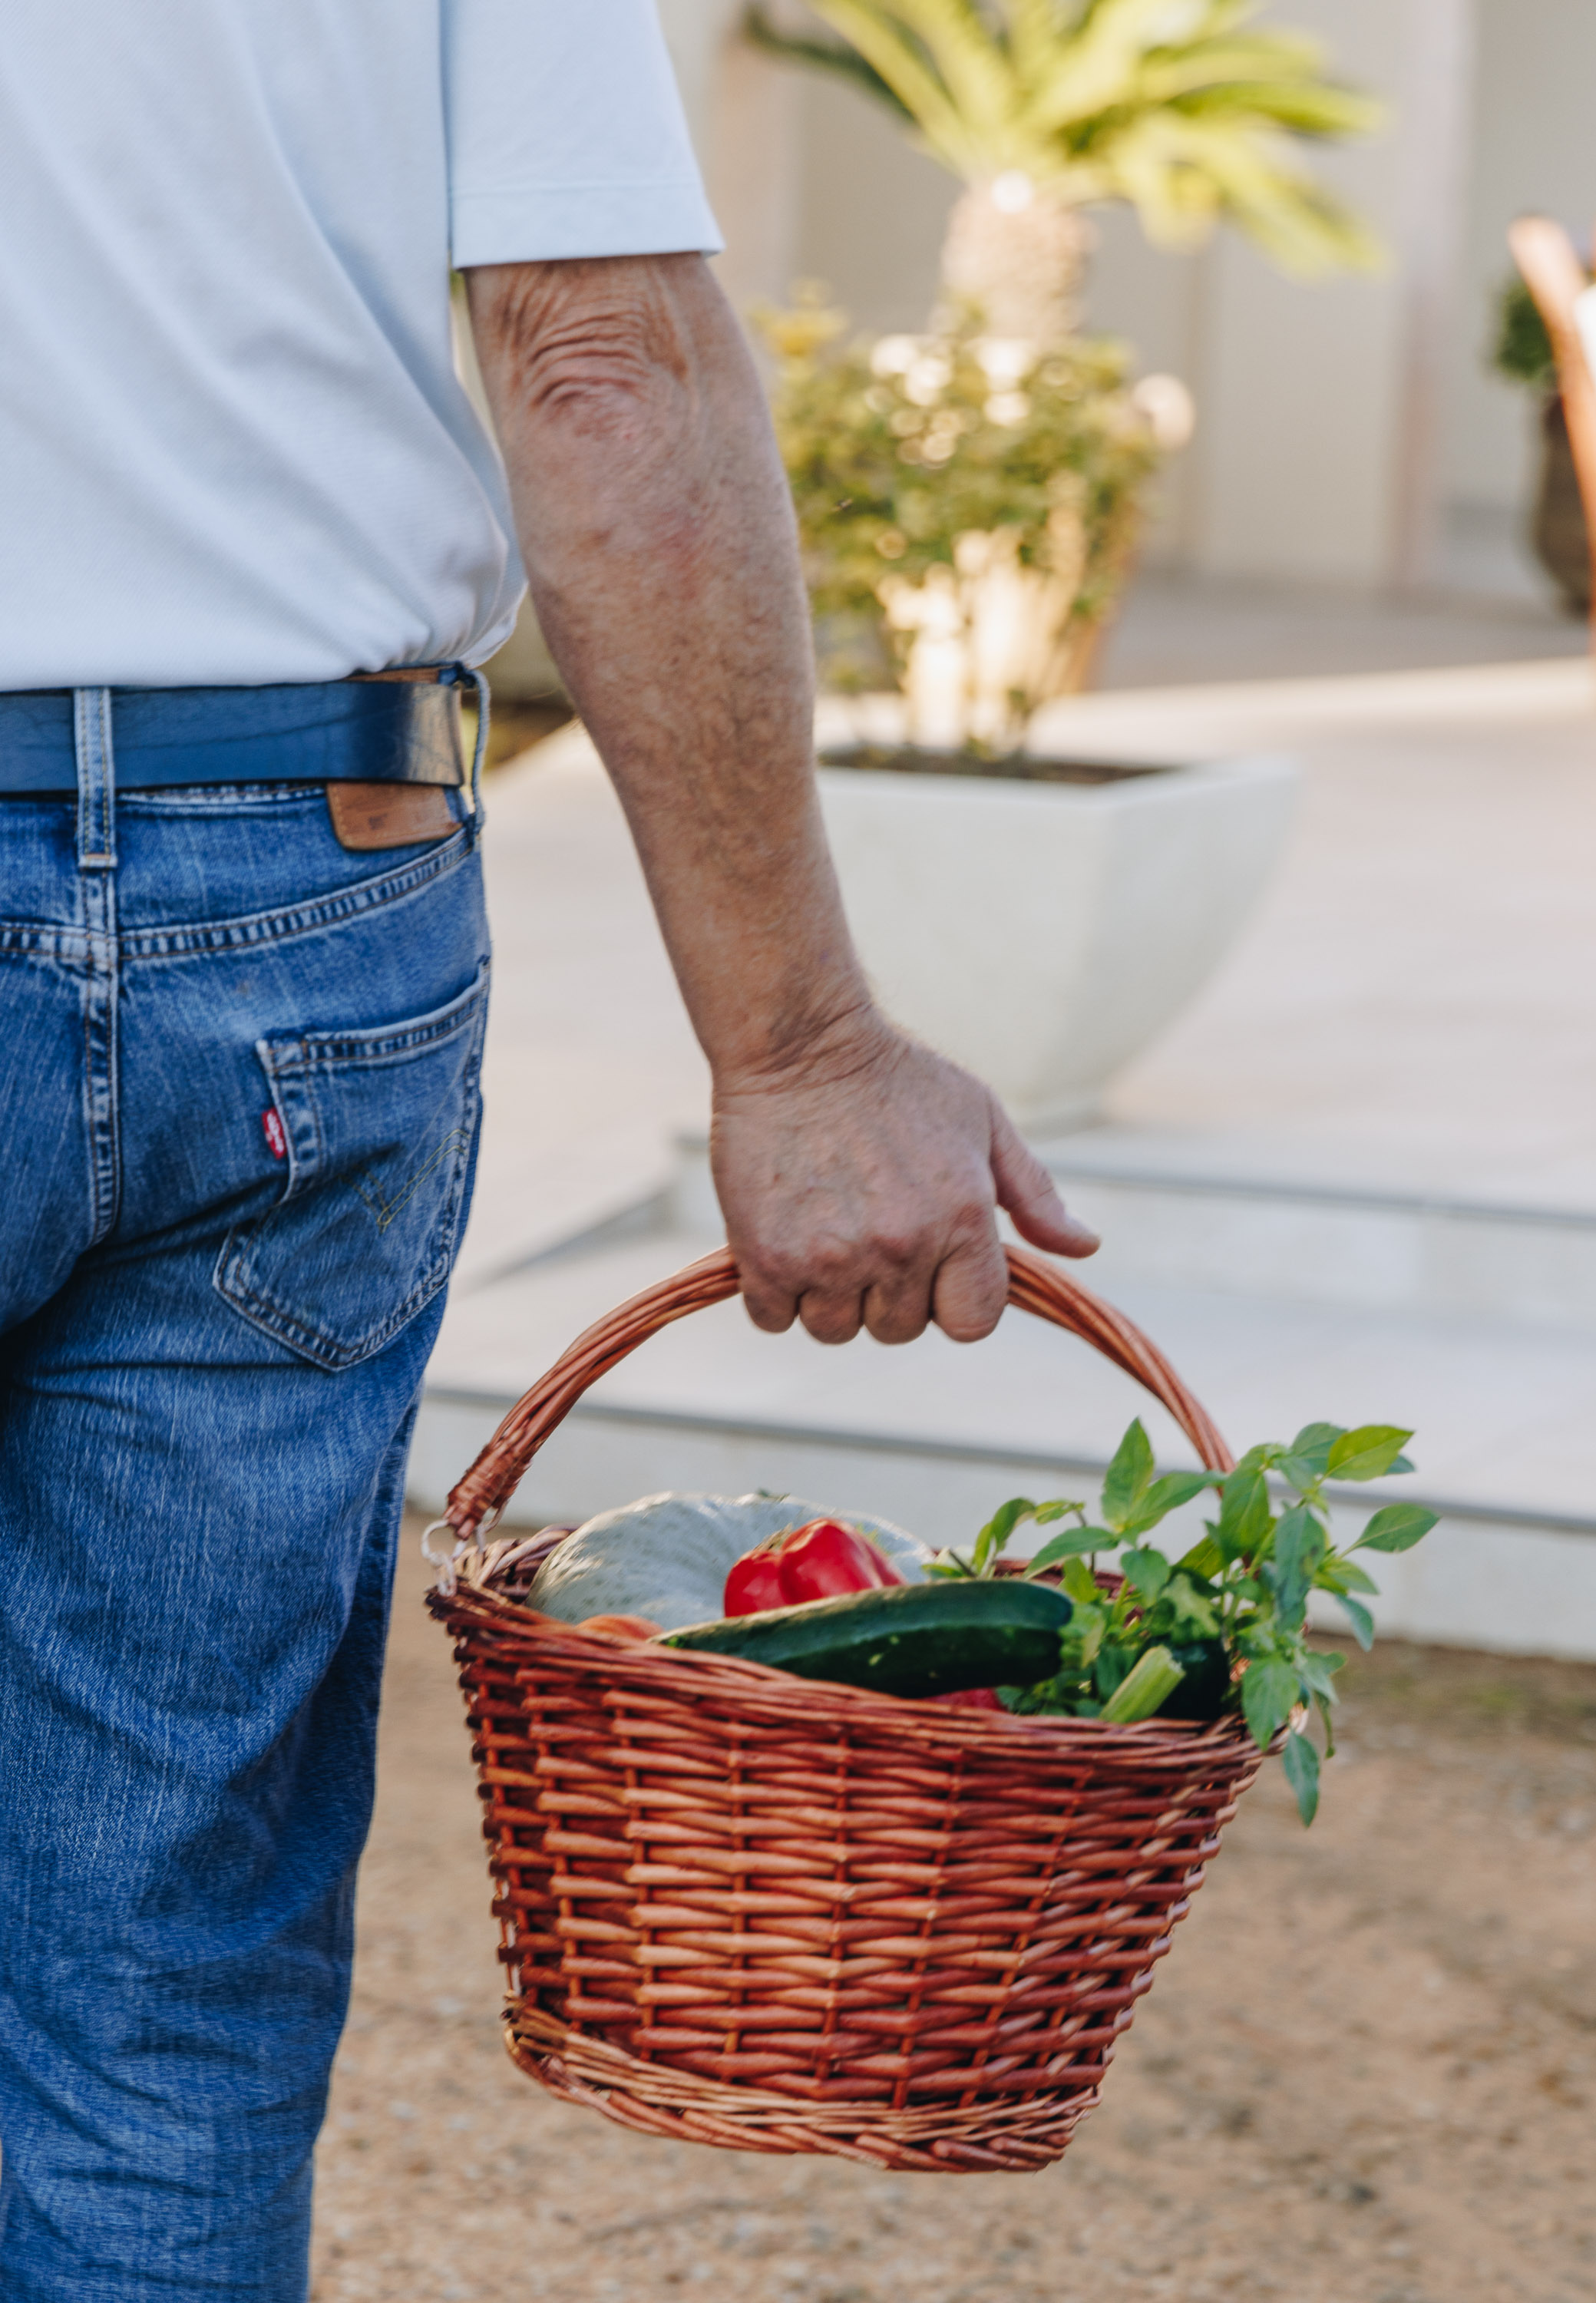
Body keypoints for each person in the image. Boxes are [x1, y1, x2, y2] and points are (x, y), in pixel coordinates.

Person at [0, 2, 1100, 2295]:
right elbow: (594, 355)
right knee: (165, 1956)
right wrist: (793, 1043)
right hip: (297, 889)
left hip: (299, 870)